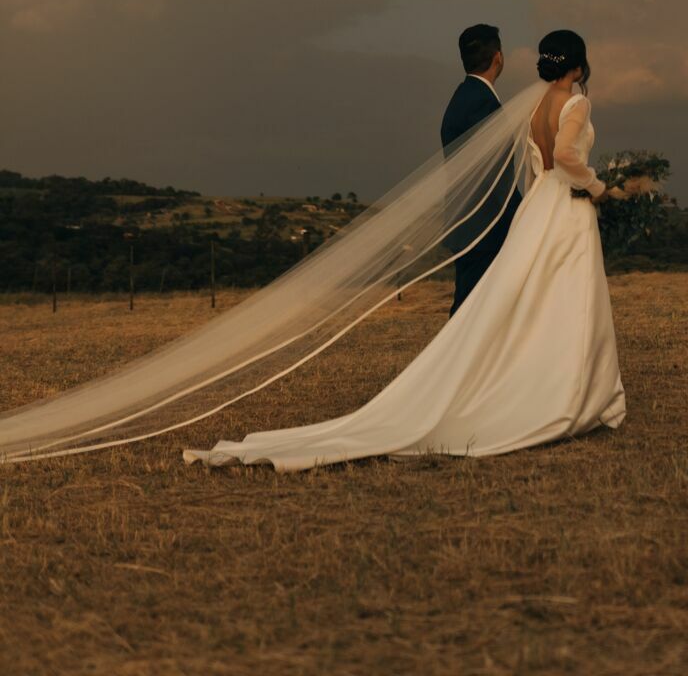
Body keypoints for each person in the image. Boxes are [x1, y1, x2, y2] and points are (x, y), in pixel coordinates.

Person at [182, 30, 627, 470]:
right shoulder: (573, 102)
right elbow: (566, 155)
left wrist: (532, 206)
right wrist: (599, 186)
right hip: (558, 209)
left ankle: (531, 384)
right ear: (578, 64)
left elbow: (532, 166)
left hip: (536, 208)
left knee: (527, 304)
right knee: (562, 300)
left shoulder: (527, 106)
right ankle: (561, 392)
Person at [439, 24, 518, 315]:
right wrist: (521, 217)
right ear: (498, 57)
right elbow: (494, 174)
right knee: (469, 313)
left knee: (475, 312)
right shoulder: (481, 104)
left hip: (470, 222)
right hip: (483, 225)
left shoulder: (462, 98)